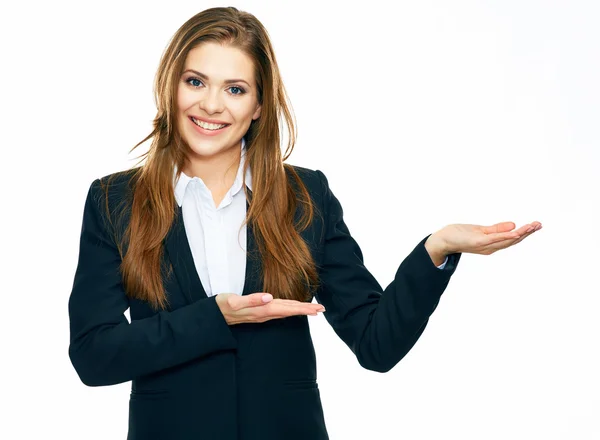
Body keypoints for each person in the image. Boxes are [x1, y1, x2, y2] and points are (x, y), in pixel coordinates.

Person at [67, 6, 542, 440]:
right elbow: (93, 355)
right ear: (171, 86)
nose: (212, 105)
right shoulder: (115, 201)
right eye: (196, 81)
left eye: (235, 89)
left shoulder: (304, 198)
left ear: (257, 106)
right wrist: (217, 317)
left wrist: (435, 251)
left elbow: (376, 344)